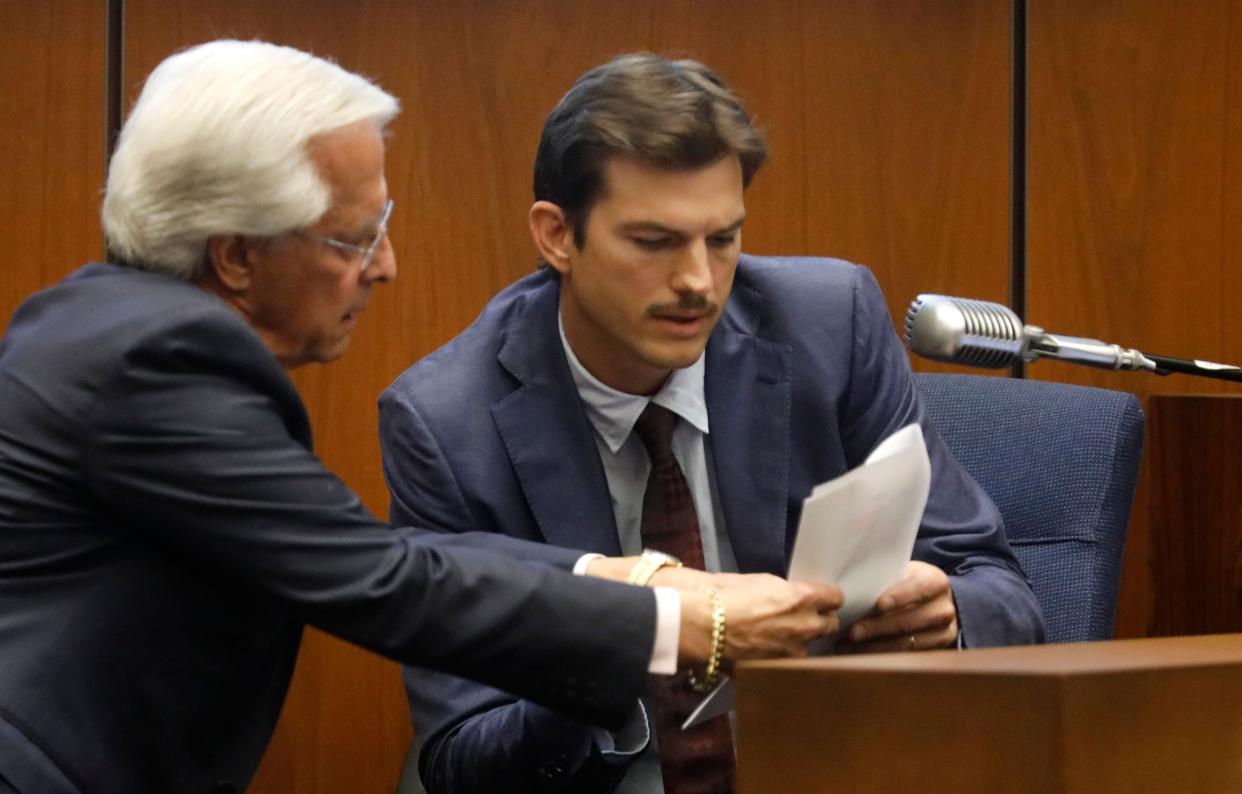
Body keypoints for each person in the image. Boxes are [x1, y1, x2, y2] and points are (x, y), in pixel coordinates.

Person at [0, 41, 843, 794]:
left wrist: (627, 578)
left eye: (383, 228)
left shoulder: (102, 329)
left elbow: (382, 557)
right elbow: (383, 581)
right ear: (237, 254)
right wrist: (682, 622)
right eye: (352, 240)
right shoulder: (164, 364)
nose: (386, 267)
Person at [379, 53, 1046, 794]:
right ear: (557, 236)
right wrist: (629, 636)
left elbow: (1001, 592)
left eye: (722, 238)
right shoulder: (444, 422)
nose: (698, 280)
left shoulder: (832, 324)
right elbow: (459, 759)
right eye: (655, 243)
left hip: (830, 764)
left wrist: (945, 612)